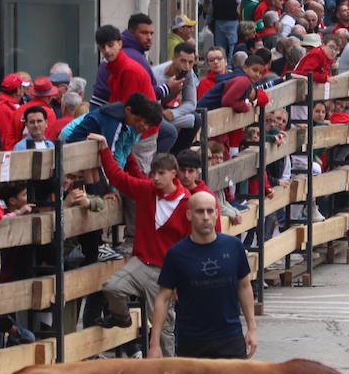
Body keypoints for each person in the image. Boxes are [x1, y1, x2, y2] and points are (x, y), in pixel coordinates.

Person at [88, 135, 190, 352]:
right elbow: (118, 177)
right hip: (142, 263)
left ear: (174, 173)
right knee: (112, 287)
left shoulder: (187, 202)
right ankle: (122, 318)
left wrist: (182, 280)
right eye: (153, 173)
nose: (156, 178)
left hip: (167, 273)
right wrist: (106, 149)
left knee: (163, 329)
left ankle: (171, 373)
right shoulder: (146, 191)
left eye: (161, 173)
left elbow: (189, 244)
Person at [149, 191, 256, 360]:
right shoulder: (176, 254)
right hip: (192, 342)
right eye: (200, 211)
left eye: (210, 211)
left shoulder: (234, 247)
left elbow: (244, 286)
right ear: (189, 215)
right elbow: (163, 298)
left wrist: (252, 328)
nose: (206, 217)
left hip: (230, 338)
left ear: (216, 214)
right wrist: (154, 344)